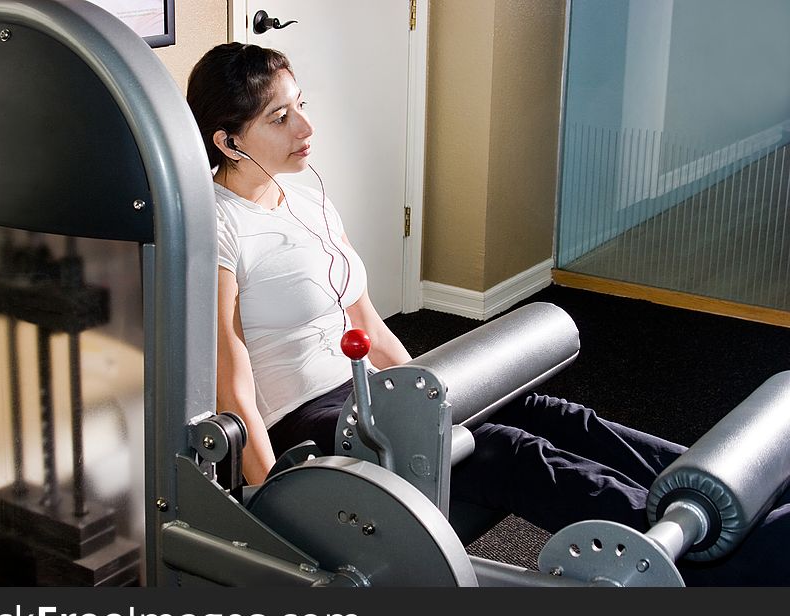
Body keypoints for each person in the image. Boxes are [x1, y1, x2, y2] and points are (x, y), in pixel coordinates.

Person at [186, 42, 789, 586]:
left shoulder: (307, 193)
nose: (306, 127)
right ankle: (728, 555)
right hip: (306, 416)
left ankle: (731, 489)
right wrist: (268, 499)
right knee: (505, 448)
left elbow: (366, 319)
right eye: (280, 117)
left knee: (548, 410)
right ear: (228, 140)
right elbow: (229, 369)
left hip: (368, 387)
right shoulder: (218, 224)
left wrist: (431, 388)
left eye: (301, 105)